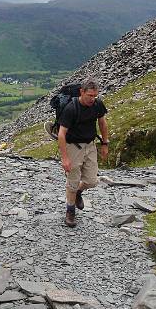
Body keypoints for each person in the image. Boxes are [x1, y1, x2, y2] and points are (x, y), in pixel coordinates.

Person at [58, 79, 109, 227]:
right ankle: (70, 211)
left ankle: (78, 192)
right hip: (73, 146)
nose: (92, 99)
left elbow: (102, 123)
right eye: (89, 95)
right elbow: (61, 134)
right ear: (81, 92)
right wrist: (65, 158)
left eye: (95, 95)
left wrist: (105, 143)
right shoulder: (71, 108)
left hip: (90, 145)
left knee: (92, 181)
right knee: (72, 183)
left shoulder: (98, 104)